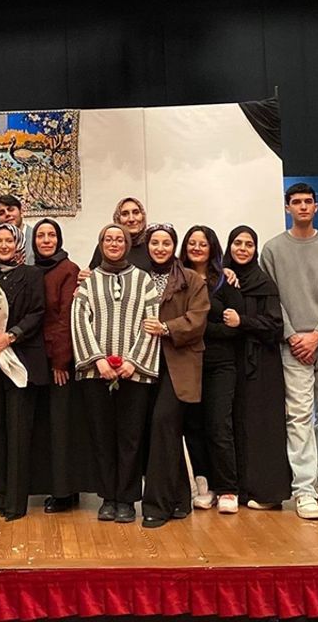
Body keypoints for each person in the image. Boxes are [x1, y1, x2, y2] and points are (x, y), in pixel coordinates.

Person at [259, 183, 318, 520]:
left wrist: (317, 334)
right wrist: (293, 335)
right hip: (292, 342)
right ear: (287, 207)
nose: (302, 207)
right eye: (296, 202)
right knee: (298, 414)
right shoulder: (272, 249)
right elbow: (271, 298)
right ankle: (304, 489)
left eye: (307, 202)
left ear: (316, 207)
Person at [72, 224, 160, 524]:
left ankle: (127, 499)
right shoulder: (89, 281)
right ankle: (108, 498)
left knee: (131, 438)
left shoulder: (143, 280)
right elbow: (79, 321)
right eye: (108, 239)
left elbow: (151, 322)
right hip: (97, 374)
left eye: (119, 239)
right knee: (102, 437)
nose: (113, 243)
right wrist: (98, 360)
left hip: (133, 374)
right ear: (101, 244)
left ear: (127, 244)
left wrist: (133, 361)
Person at [0, 224, 48, 520]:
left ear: (19, 244)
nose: (3, 245)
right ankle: (0, 495)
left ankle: (16, 503)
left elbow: (37, 312)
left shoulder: (32, 274)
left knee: (18, 434)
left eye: (9, 240)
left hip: (20, 363)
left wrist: (11, 336)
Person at [140, 224, 210, 528]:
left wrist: (167, 328)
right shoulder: (139, 276)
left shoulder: (191, 279)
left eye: (166, 243)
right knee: (160, 431)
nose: (160, 248)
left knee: (163, 425)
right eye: (154, 243)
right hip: (145, 362)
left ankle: (157, 505)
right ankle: (180, 498)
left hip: (179, 363)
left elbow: (198, 319)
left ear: (174, 246)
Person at [223, 226, 293, 511]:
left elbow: (276, 326)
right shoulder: (223, 280)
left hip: (261, 364)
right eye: (237, 243)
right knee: (234, 424)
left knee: (262, 425)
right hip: (230, 362)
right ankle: (236, 489)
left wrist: (243, 322)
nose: (242, 249)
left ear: (255, 250)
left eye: (249, 244)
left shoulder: (264, 283)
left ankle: (267, 493)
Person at [180, 225, 245, 514]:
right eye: (192, 243)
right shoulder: (178, 279)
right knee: (193, 426)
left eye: (202, 244)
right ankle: (204, 486)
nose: (196, 248)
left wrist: (200, 328)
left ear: (211, 248)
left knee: (219, 425)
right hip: (188, 364)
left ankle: (228, 488)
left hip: (221, 364)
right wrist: (203, 327)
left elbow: (236, 326)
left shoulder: (225, 281)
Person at [31, 218, 83, 514]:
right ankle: (54, 486)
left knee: (61, 426)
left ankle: (64, 491)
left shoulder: (68, 269)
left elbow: (66, 317)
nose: (46, 240)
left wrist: (60, 360)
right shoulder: (33, 270)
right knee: (46, 427)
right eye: (41, 235)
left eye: (52, 235)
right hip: (37, 359)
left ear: (59, 240)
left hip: (59, 361)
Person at [87, 197, 152, 271]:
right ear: (118, 218)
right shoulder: (107, 246)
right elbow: (92, 273)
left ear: (143, 216)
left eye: (136, 213)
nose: (131, 219)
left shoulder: (152, 244)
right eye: (125, 214)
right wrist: (84, 275)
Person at [0, 194, 35, 265]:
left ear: (21, 211)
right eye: (1, 213)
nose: (7, 214)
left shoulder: (38, 239)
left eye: (11, 209)